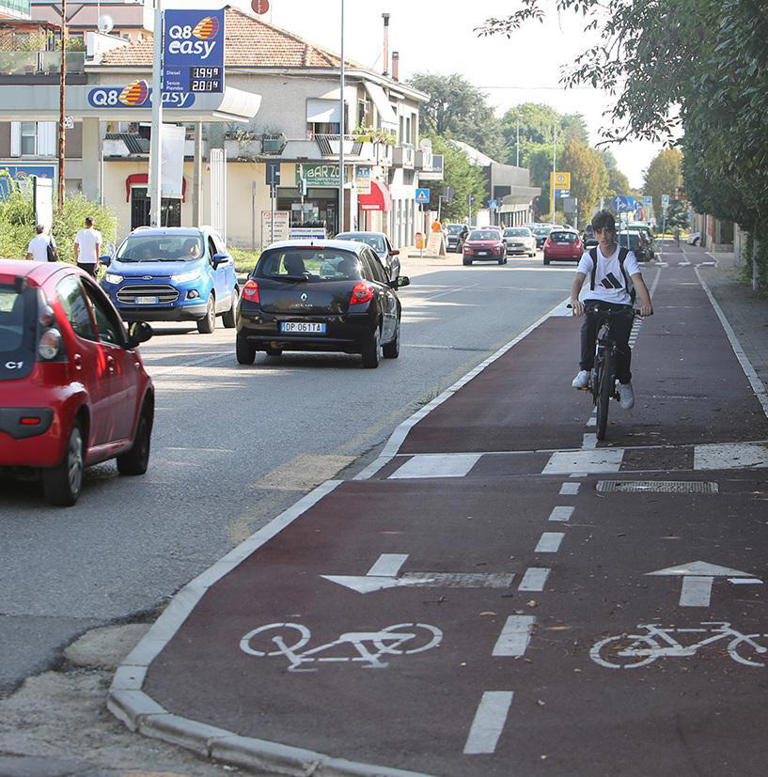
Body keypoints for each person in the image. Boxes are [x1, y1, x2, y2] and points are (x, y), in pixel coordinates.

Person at [569, 210, 653, 410]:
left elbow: (637, 280)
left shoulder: (625, 255)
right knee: (588, 325)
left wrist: (646, 304)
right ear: (594, 234)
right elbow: (579, 279)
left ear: (614, 232)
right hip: (596, 300)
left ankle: (624, 382)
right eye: (599, 232)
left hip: (621, 303)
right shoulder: (590, 256)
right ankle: (585, 370)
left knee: (622, 345)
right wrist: (574, 300)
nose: (603, 237)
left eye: (607, 231)